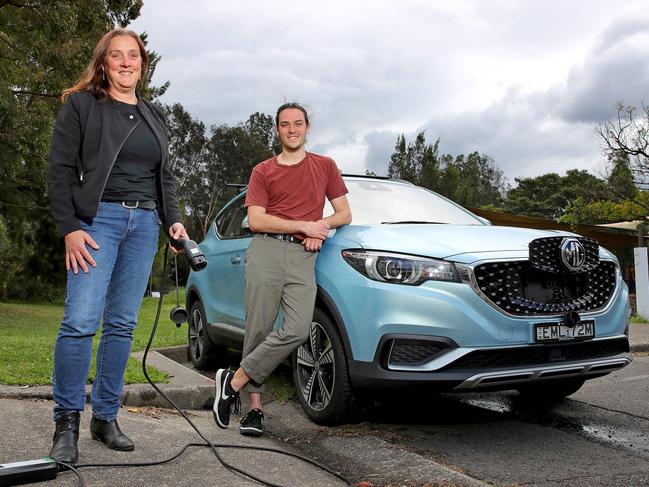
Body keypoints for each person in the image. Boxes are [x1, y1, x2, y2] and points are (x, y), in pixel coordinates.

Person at [47, 28, 188, 464]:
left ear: (142, 64)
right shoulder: (82, 106)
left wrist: (174, 220)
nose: (126, 63)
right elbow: (59, 170)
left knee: (123, 324)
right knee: (81, 322)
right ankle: (66, 421)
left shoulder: (153, 114)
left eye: (134, 56)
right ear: (103, 63)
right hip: (97, 223)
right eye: (117, 56)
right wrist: (70, 226)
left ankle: (104, 417)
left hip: (144, 224)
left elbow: (163, 177)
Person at [212, 102, 352, 437]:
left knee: (298, 329)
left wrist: (319, 226)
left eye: (298, 123)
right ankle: (254, 411)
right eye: (285, 124)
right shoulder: (263, 171)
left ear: (307, 127)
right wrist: (304, 225)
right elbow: (256, 219)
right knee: (258, 330)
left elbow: (344, 213)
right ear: (277, 130)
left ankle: (232, 382)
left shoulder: (325, 166)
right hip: (266, 251)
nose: (292, 130)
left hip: (303, 257)